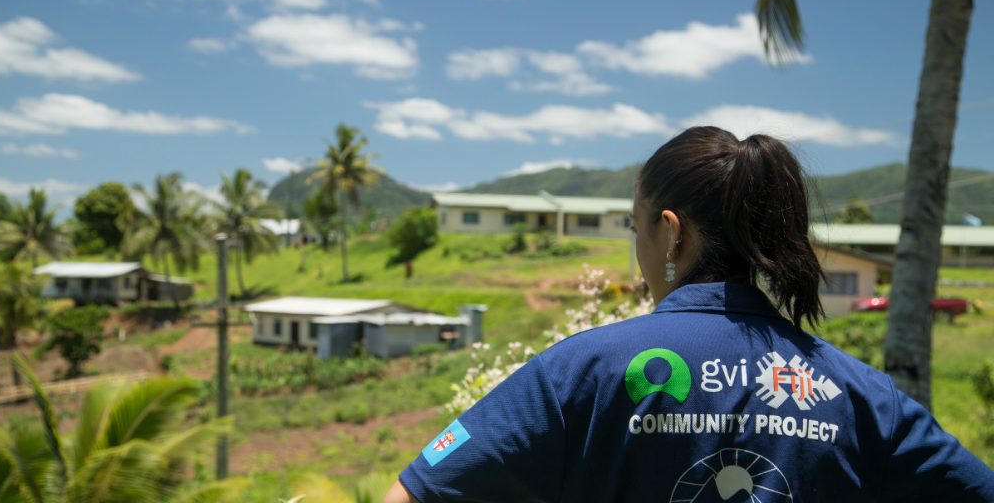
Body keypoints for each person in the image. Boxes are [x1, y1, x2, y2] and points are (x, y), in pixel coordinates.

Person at [383, 126, 994, 503]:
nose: (638, 250)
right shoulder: (864, 398)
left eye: (635, 228)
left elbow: (413, 494)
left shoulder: (577, 373)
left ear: (671, 234)